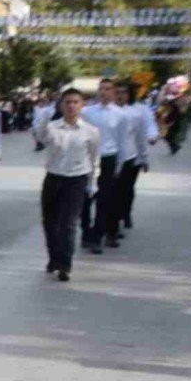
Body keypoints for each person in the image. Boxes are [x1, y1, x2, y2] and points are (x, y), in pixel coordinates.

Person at [33, 87, 97, 282]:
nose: (71, 106)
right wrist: (44, 114)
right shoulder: (52, 127)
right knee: (50, 222)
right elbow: (41, 137)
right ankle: (54, 258)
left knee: (68, 224)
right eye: (67, 102)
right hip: (54, 177)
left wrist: (92, 183)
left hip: (77, 180)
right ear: (61, 105)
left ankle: (65, 265)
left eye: (75, 102)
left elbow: (94, 158)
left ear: (82, 105)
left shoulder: (90, 131)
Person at [79, 78, 126, 253]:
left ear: (113, 92)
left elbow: (122, 142)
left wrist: (119, 165)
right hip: (88, 158)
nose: (104, 92)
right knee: (85, 198)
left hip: (108, 158)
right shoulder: (87, 112)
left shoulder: (121, 115)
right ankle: (85, 230)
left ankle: (98, 236)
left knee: (104, 199)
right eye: (101, 89)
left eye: (108, 89)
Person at [114, 81, 159, 236]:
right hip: (112, 157)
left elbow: (148, 128)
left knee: (127, 189)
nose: (121, 96)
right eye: (118, 92)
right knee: (114, 190)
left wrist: (151, 140)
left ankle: (125, 213)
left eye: (124, 92)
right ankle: (114, 219)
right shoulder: (109, 110)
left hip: (132, 157)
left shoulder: (140, 110)